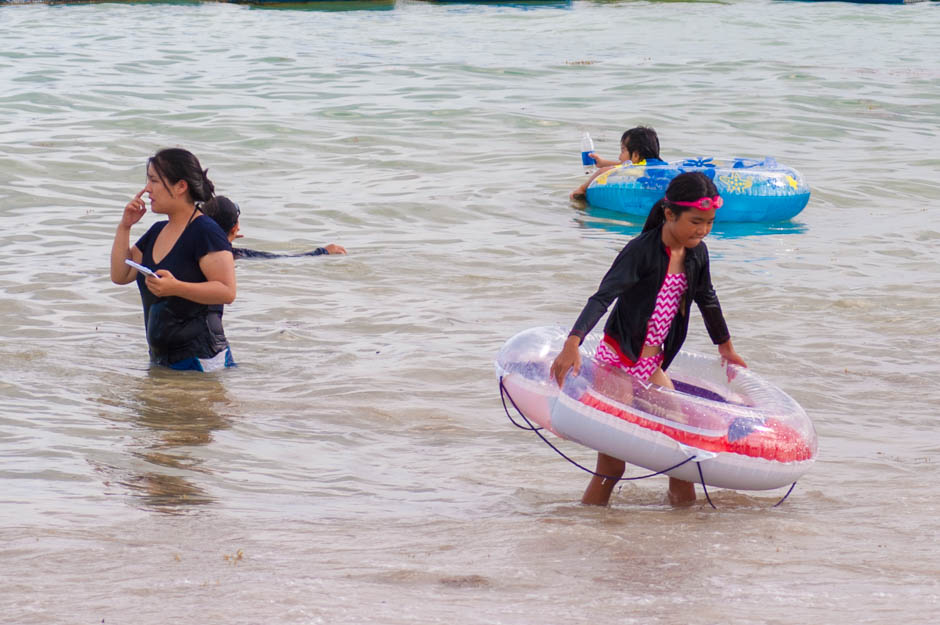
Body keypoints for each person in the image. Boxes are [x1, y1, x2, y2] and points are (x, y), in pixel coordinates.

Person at [550, 171, 747, 507]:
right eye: (696, 221)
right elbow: (603, 297)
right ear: (670, 214)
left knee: (681, 452)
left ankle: (683, 531)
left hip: (652, 365)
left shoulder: (697, 254)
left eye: (709, 222)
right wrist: (573, 342)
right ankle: (587, 526)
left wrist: (725, 346)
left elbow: (707, 298)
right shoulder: (640, 251)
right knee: (612, 464)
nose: (702, 230)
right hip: (619, 360)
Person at [110, 148, 236, 372]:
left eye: (154, 180)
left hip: (203, 360)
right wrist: (125, 226)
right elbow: (120, 275)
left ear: (180, 186)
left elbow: (227, 291)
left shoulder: (205, 231)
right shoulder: (157, 231)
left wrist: (176, 287)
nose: (148, 189)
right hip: (162, 362)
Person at [201, 196, 347, 259]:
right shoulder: (233, 255)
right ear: (235, 228)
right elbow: (282, 258)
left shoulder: (191, 244)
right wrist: (322, 252)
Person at [570, 126, 665, 200]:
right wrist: (603, 163)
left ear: (635, 155)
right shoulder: (660, 165)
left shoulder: (640, 170)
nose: (619, 156)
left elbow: (603, 171)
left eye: (622, 151)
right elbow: (627, 165)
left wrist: (582, 189)